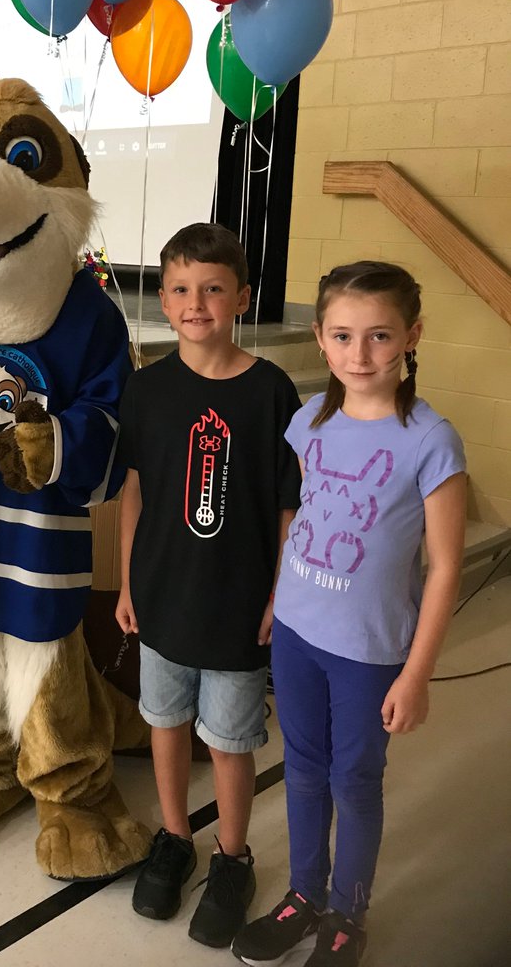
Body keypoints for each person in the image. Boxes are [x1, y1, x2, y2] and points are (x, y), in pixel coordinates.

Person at [232, 261, 467, 967]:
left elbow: (447, 566)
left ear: (411, 336)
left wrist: (417, 674)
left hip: (368, 652)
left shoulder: (430, 440)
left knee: (353, 779)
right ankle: (305, 894)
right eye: (343, 336)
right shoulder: (309, 419)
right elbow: (305, 517)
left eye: (379, 337)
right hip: (299, 635)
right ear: (321, 339)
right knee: (301, 770)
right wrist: (279, 596)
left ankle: (347, 912)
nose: (359, 356)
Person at [116, 222, 302, 948]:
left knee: (228, 738)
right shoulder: (148, 388)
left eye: (214, 289)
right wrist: (130, 579)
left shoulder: (271, 392)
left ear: (241, 298)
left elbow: (288, 504)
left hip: (237, 605)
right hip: (162, 595)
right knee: (164, 724)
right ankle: (172, 837)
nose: (198, 303)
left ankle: (231, 857)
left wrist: (280, 593)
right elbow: (134, 490)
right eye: (183, 289)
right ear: (163, 300)